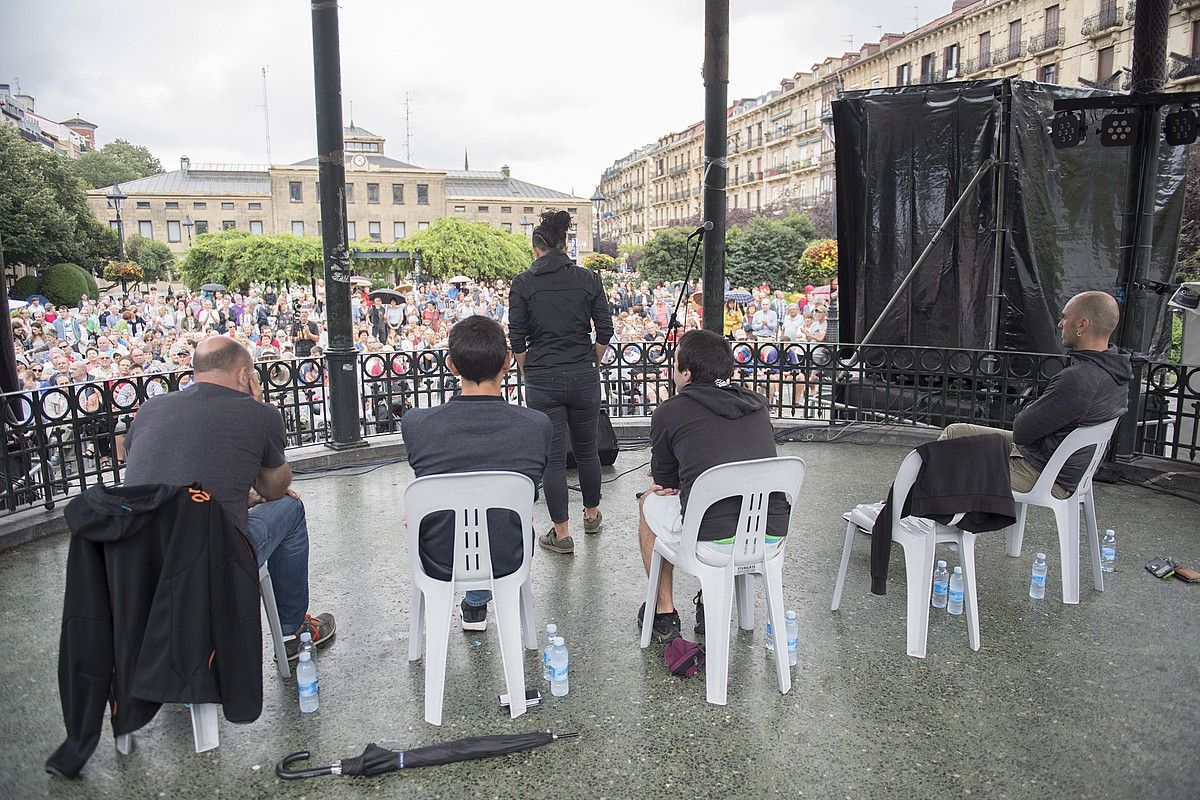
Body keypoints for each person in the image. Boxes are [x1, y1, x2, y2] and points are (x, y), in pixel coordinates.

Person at [122, 337, 335, 660]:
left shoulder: (150, 409)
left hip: (135, 561)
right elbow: (274, 489)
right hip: (209, 562)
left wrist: (234, 494)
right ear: (243, 375)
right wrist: (260, 407)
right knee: (291, 508)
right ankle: (294, 631)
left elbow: (154, 466)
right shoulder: (258, 413)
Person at [401, 316, 553, 630]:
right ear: (508, 362)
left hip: (438, 560)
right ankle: (476, 601)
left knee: (454, 514)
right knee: (493, 516)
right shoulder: (537, 426)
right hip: (508, 556)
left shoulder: (417, 425)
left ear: (452, 365)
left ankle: (474, 605)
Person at [637, 329, 791, 638]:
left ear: (687, 373)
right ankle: (708, 606)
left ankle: (663, 613)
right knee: (733, 503)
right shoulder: (757, 406)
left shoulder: (669, 412)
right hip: (769, 535)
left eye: (675, 362)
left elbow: (665, 483)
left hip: (709, 540)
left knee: (647, 503)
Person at [940, 291, 1131, 497]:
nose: (1060, 324)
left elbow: (1022, 431)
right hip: (1053, 460)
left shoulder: (1080, 378)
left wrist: (1032, 405)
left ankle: (927, 519)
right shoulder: (1115, 371)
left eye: (1065, 317)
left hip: (1042, 471)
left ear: (1082, 325)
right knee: (955, 433)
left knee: (943, 462)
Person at [508, 210, 614, 554]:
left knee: (552, 459)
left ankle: (562, 533)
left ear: (537, 248)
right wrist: (590, 361)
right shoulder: (588, 279)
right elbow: (605, 330)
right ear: (564, 244)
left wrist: (529, 369)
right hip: (583, 374)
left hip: (543, 377)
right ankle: (592, 515)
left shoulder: (523, 283)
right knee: (587, 450)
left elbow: (518, 338)